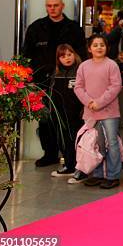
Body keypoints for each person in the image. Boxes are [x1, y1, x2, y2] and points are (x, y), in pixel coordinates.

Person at [21, 0, 86, 167]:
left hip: (68, 82)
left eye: (56, 5)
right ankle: (49, 154)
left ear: (63, 6)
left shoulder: (73, 29)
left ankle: (71, 158)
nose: (52, 9)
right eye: (49, 6)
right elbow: (26, 55)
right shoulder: (36, 28)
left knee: (69, 121)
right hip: (42, 82)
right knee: (45, 120)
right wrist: (29, 77)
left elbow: (83, 56)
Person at [73, 35, 123, 189]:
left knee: (112, 143)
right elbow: (78, 87)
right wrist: (89, 102)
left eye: (102, 45)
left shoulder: (112, 65)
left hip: (109, 112)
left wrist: (99, 102)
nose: (99, 47)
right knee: (96, 143)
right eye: (95, 45)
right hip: (91, 112)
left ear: (106, 47)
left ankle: (113, 176)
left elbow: (115, 87)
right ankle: (98, 174)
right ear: (89, 49)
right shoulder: (84, 66)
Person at [49, 44, 83, 178]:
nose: (67, 58)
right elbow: (52, 94)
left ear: (74, 54)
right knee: (64, 140)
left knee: (78, 140)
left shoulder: (81, 71)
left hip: (77, 113)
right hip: (61, 114)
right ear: (58, 59)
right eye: (63, 56)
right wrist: (52, 111)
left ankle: (80, 167)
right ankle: (69, 165)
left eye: (69, 54)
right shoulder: (56, 73)